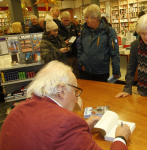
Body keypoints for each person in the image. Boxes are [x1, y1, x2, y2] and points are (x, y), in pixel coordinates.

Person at [0, 60, 131, 150]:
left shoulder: (16, 110)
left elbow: (49, 137)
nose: (76, 98)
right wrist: (120, 138)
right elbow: (59, 130)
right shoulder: (66, 123)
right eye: (75, 91)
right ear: (62, 90)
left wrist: (84, 127)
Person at [77, 4, 121, 82]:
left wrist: (116, 72)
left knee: (101, 93)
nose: (85, 20)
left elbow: (115, 53)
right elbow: (80, 48)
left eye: (87, 17)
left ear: (95, 18)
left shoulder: (109, 31)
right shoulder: (84, 30)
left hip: (101, 73)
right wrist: (81, 64)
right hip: (85, 72)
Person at [59, 11, 80, 78]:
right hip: (66, 55)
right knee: (68, 73)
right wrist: (63, 42)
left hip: (75, 53)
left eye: (68, 20)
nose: (67, 22)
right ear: (61, 19)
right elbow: (57, 42)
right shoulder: (58, 28)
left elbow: (77, 36)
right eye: (65, 20)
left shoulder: (73, 27)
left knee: (77, 72)